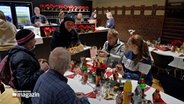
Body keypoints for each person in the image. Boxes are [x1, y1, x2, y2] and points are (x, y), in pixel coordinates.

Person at [8, 29, 49, 104]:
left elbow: (27, 71)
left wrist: (36, 64)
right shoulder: (22, 58)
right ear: (28, 41)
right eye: (33, 39)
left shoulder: (20, 53)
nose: (35, 41)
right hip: (30, 96)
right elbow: (24, 84)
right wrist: (42, 70)